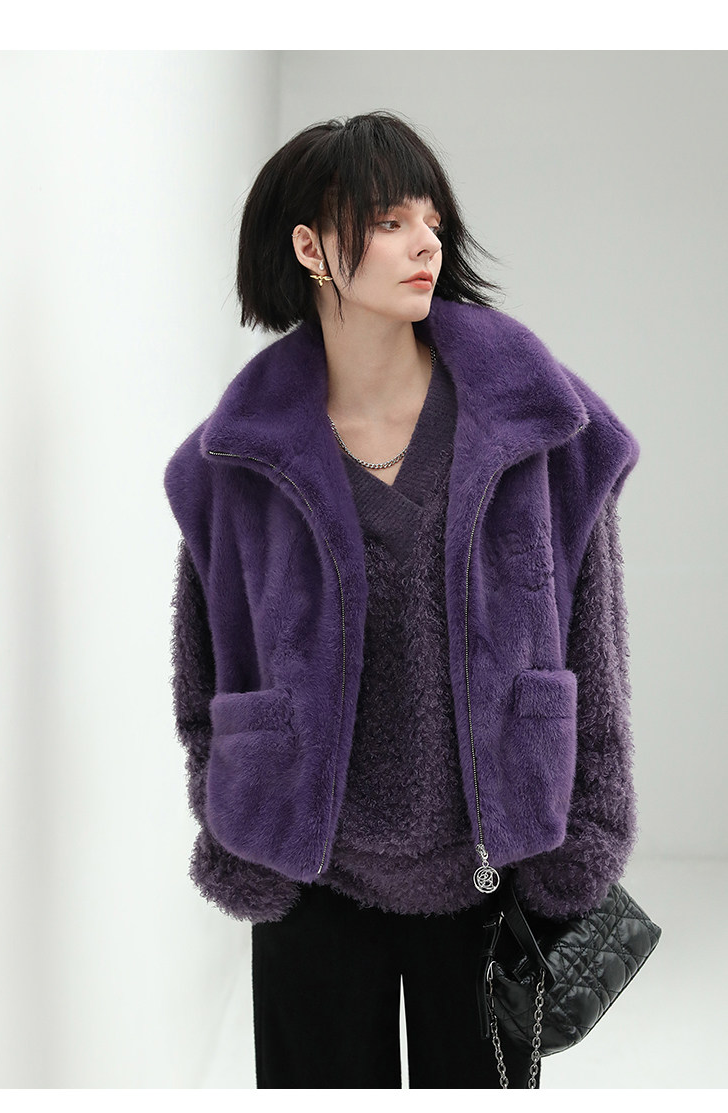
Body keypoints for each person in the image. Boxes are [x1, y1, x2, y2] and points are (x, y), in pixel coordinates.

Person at [163, 111, 641, 1089]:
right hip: (312, 878)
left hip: (491, 871)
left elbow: (594, 641)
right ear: (310, 248)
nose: (426, 241)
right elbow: (206, 664)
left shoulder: (538, 420)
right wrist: (235, 813)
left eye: (431, 217)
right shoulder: (240, 455)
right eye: (388, 221)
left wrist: (588, 830)